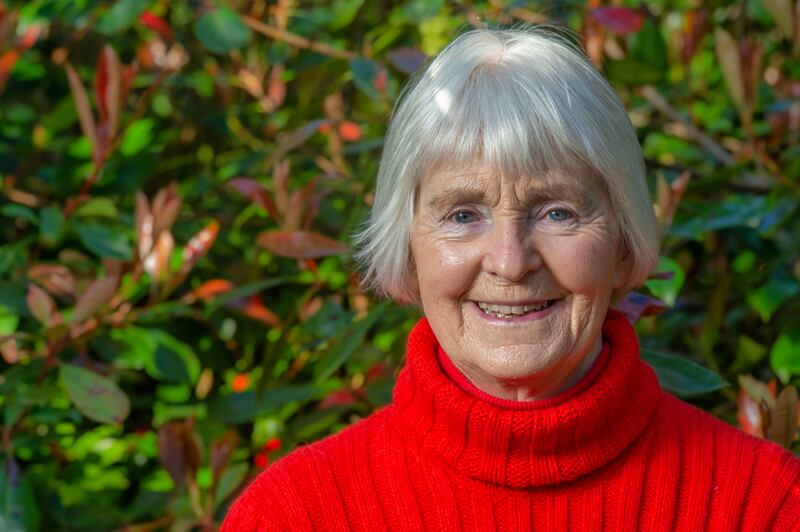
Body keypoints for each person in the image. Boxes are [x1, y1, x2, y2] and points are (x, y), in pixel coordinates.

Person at [222, 28, 800, 531]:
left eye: (557, 212)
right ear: (409, 248)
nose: (509, 260)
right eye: (463, 215)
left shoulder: (766, 506)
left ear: (624, 246)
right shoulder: (293, 515)